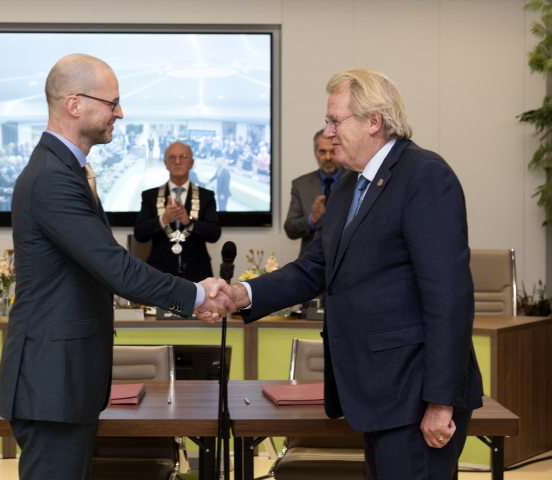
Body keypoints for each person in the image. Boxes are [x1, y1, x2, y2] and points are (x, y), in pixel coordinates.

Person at [202, 68, 484, 479]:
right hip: (379, 393)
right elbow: (316, 266)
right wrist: (242, 294)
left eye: (336, 120)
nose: (328, 131)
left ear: (374, 121)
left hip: (415, 394)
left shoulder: (424, 175)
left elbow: (450, 298)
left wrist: (440, 402)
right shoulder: (349, 186)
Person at [0, 54, 230, 480]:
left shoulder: (65, 169)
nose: (119, 112)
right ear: (74, 104)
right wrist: (196, 296)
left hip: (64, 381)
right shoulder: (52, 176)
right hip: (52, 383)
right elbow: (115, 267)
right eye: (112, 102)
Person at [134, 141, 221, 282]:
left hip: (198, 273)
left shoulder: (206, 196)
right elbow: (140, 233)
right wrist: (163, 219)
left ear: (192, 163)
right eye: (172, 157)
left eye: (183, 156)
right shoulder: (150, 195)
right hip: (159, 274)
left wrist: (189, 222)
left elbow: (214, 234)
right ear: (165, 163)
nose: (178, 161)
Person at [284, 129, 344, 258]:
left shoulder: (356, 179)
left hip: (345, 261)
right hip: (310, 264)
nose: (328, 157)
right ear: (315, 154)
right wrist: (312, 219)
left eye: (332, 151)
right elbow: (290, 229)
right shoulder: (300, 185)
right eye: (323, 151)